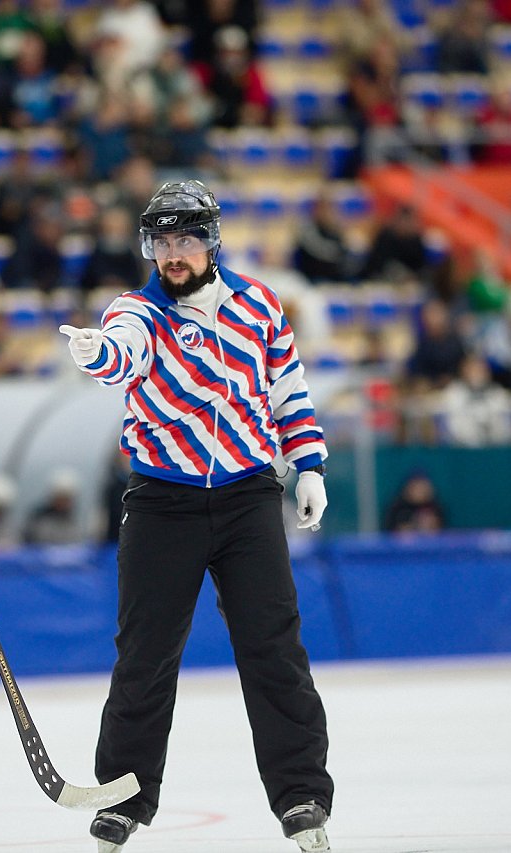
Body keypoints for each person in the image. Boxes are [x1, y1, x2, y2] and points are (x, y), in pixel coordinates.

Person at [58, 180, 334, 853]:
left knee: (274, 648)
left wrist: (310, 465)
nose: (172, 254)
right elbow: (123, 354)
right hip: (162, 503)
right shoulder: (139, 312)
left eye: (184, 239)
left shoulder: (259, 305)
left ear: (210, 241)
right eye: (161, 241)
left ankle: (301, 796)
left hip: (246, 498)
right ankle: (123, 797)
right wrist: (100, 354)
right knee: (145, 657)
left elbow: (288, 390)